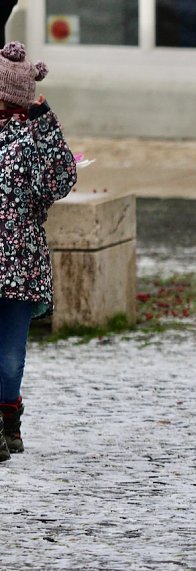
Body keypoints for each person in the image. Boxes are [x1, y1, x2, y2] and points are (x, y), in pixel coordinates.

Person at [0, 41, 77, 462]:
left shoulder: (31, 142)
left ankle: (9, 420)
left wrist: (45, 122)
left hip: (18, 267)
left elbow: (62, 179)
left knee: (10, 358)